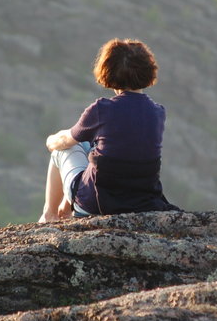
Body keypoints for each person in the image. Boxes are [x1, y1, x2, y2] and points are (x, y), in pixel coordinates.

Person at [39, 38, 178, 222]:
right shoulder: (158, 113)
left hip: (97, 204)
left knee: (62, 151)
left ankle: (50, 216)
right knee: (96, 148)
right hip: (141, 203)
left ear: (108, 71)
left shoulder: (101, 109)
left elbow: (66, 141)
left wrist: (51, 140)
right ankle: (66, 206)